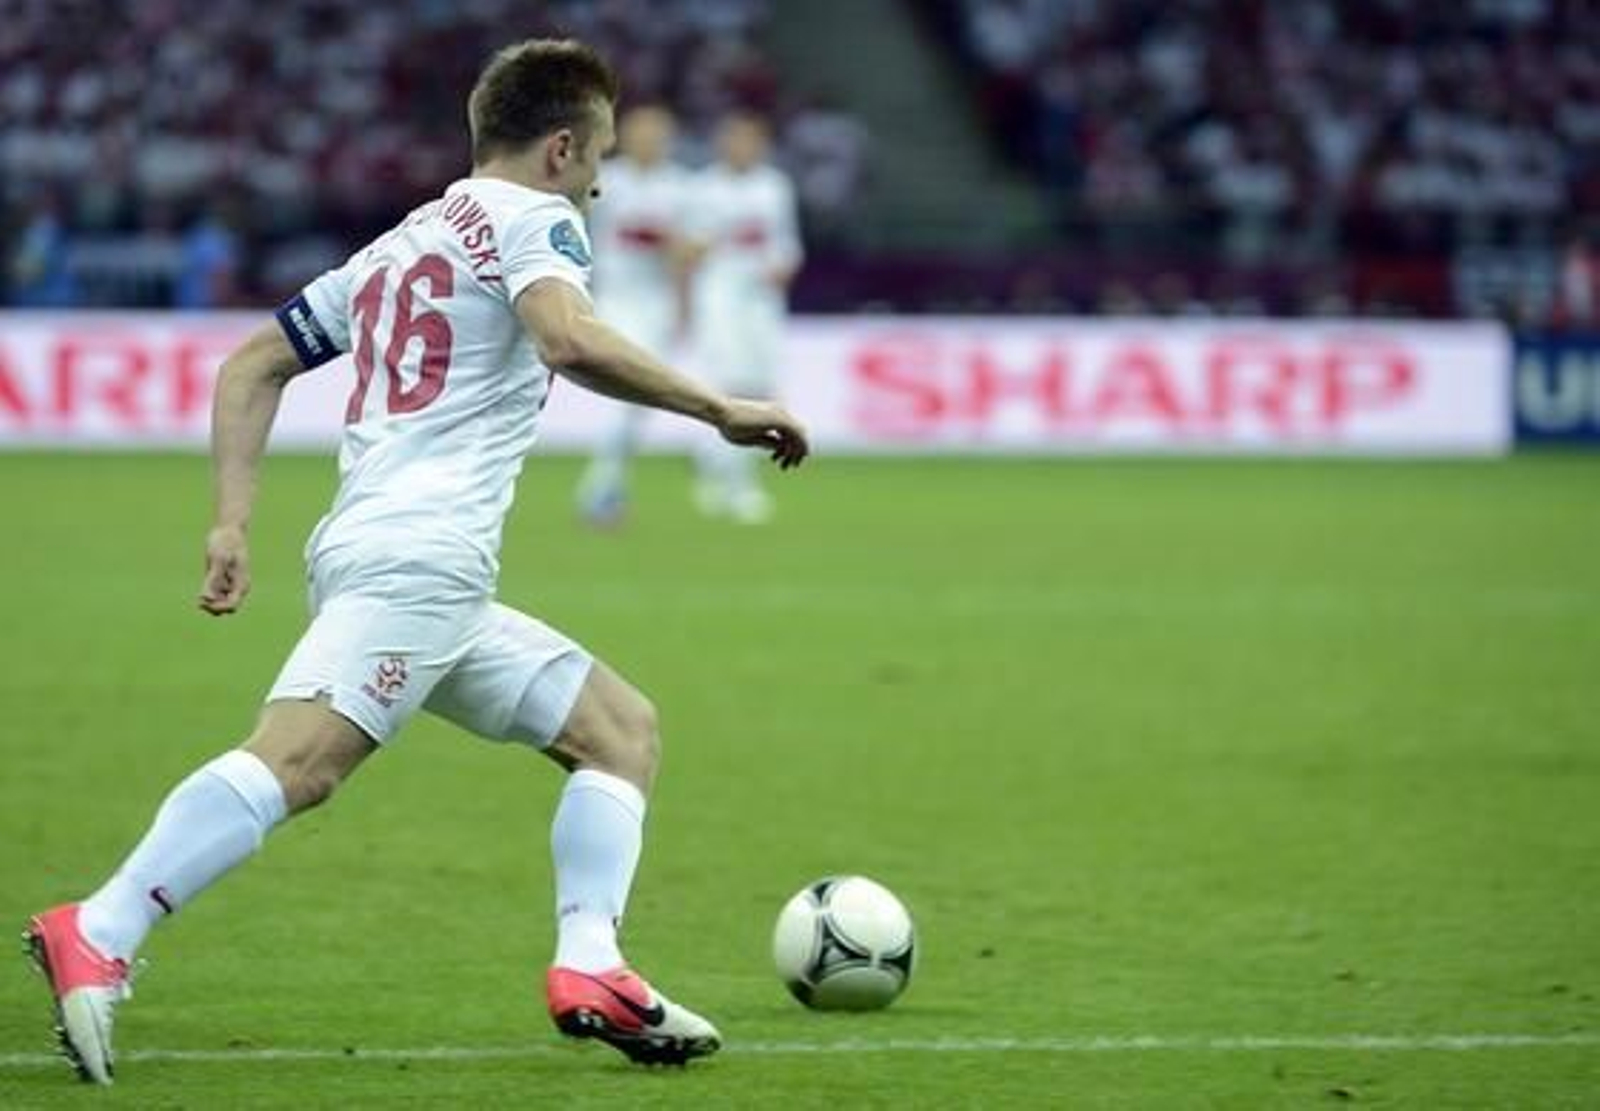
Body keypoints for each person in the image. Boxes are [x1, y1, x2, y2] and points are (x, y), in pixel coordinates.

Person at [24, 38, 808, 1085]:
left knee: (618, 730)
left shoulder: (409, 238)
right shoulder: (542, 221)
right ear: (561, 146)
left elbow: (253, 361)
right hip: (419, 560)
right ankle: (104, 922)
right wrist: (718, 407)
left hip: (393, 555)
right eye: (599, 156)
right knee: (299, 762)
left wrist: (230, 521)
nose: (604, 178)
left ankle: (592, 966)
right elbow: (567, 339)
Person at [574, 103, 695, 526]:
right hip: (615, 300)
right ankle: (600, 490)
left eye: (657, 135)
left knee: (637, 402)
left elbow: (689, 252)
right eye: (642, 133)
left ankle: (607, 485)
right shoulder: (607, 180)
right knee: (625, 397)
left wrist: (684, 305)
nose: (649, 142)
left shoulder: (681, 186)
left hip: (657, 302)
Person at [686, 110, 803, 524]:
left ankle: (721, 469)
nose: (742, 148)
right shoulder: (703, 189)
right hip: (719, 298)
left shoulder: (774, 187)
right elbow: (691, 249)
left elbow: (787, 245)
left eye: (751, 140)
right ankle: (731, 484)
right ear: (722, 144)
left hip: (762, 302)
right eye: (735, 139)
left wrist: (782, 266)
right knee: (728, 389)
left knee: (761, 390)